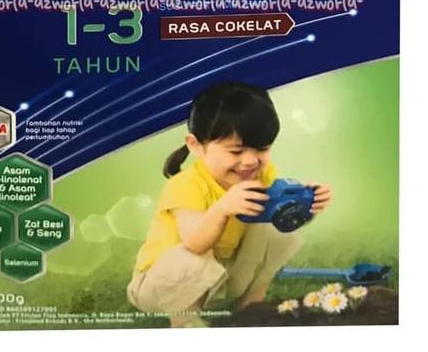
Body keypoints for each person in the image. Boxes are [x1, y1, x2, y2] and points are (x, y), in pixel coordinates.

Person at [126, 81, 333, 327]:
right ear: (196, 146)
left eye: (262, 148)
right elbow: (194, 243)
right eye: (236, 151)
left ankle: (252, 307)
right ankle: (184, 323)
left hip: (219, 278)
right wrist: (223, 208)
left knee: (273, 232)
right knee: (190, 257)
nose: (250, 161)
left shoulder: (261, 175)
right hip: (160, 286)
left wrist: (306, 203)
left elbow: (280, 218)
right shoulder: (185, 184)